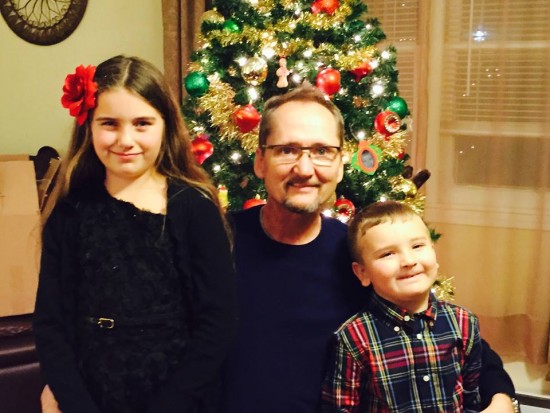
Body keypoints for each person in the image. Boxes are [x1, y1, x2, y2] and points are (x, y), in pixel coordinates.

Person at [220, 82, 517, 413]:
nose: (304, 169)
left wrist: (501, 398)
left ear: (340, 165)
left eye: (322, 151)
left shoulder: (360, 253)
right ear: (260, 161)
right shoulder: (217, 240)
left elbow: (449, 339)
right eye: (287, 150)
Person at [33, 55, 238, 413]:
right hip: (92, 394)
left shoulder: (194, 208)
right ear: (89, 126)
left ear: (165, 125)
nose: (125, 140)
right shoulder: (70, 212)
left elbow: (218, 321)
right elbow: (51, 324)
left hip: (180, 398)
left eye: (142, 123)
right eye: (109, 124)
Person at [322, 201, 482, 412]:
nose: (408, 261)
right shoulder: (354, 338)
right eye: (387, 254)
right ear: (362, 272)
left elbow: (472, 397)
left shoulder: (463, 322)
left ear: (434, 253)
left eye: (417, 246)